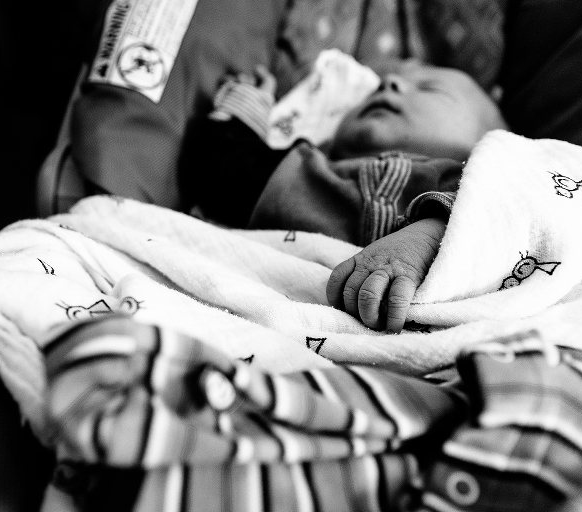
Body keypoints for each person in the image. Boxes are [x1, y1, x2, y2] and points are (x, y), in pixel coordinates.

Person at [183, 60, 507, 333]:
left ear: (490, 144)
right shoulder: (353, 178)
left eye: (430, 88)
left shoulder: (491, 176)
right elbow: (237, 180)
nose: (389, 83)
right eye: (376, 86)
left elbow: (228, 173)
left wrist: (240, 114)